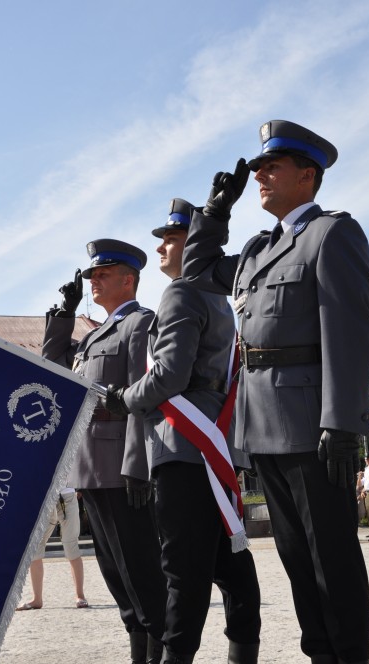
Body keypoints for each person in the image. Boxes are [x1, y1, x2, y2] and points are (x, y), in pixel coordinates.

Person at [183, 120, 369, 664]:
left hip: (314, 422)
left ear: (307, 177)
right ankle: (321, 653)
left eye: (273, 167)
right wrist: (215, 211)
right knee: (295, 557)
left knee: (331, 558)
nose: (261, 175)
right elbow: (195, 272)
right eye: (259, 168)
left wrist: (342, 423)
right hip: (263, 422)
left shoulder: (331, 234)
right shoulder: (256, 249)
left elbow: (350, 331)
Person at [104, 199, 262, 664]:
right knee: (228, 566)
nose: (161, 246)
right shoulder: (217, 297)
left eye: (170, 237)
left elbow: (169, 376)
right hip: (211, 442)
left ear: (194, 244)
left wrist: (123, 399)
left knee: (182, 573)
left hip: (180, 444)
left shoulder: (180, 294)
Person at [42, 239, 166, 664]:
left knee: (142, 578)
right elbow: (54, 370)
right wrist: (62, 316)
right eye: (91, 275)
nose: (93, 280)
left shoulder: (141, 325)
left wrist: (137, 465)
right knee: (118, 579)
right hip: (90, 469)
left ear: (128, 280)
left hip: (121, 470)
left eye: (102, 274)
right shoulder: (95, 334)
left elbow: (140, 399)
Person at [15, 487, 89, 611]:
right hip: (43, 497)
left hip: (67, 496)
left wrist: (80, 486)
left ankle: (80, 596)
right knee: (35, 548)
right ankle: (37, 599)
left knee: (71, 547)